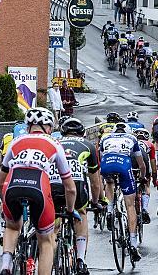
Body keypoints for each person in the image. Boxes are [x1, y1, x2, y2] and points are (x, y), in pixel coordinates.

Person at [0, 108, 77, 275]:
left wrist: (5, 202)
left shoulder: (16, 141)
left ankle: (6, 265)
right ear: (49, 128)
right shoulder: (54, 143)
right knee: (46, 242)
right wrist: (69, 211)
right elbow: (69, 187)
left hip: (12, 185)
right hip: (39, 187)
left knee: (12, 227)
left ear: (28, 127)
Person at [52, 118, 102, 275]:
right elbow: (95, 182)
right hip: (76, 184)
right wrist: (95, 201)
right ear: (83, 132)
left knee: (53, 218)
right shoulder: (88, 145)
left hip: (53, 184)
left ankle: (51, 252)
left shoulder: (54, 142)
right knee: (81, 213)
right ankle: (80, 260)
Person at [98, 122, 146, 261]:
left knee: (109, 182)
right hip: (124, 165)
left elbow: (102, 157)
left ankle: (109, 210)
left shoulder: (105, 138)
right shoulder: (132, 138)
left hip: (107, 164)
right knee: (130, 205)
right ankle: (132, 243)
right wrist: (142, 177)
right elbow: (141, 163)